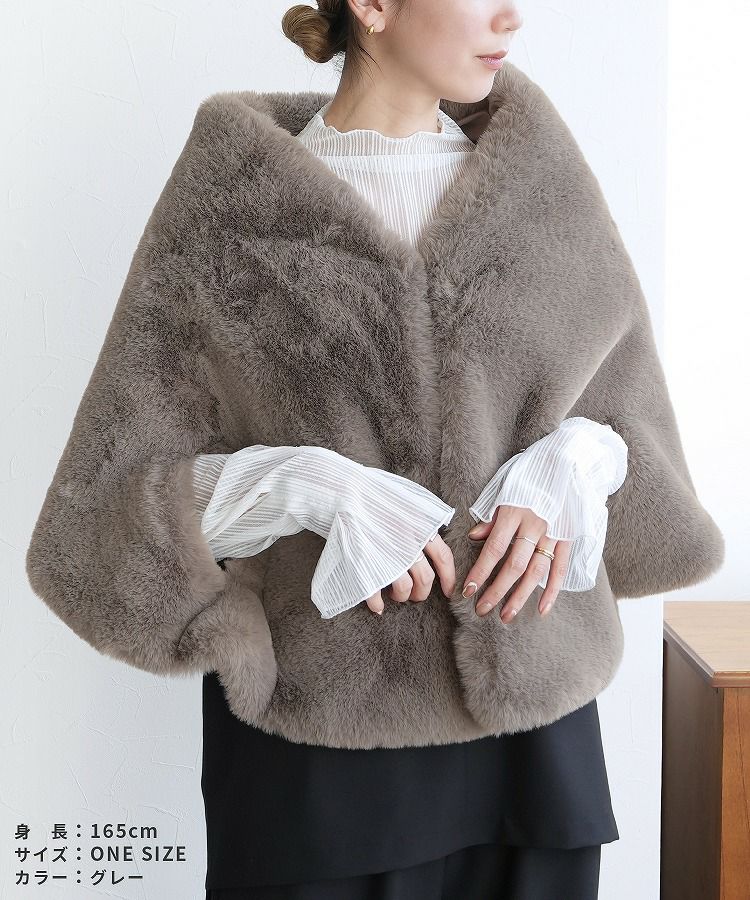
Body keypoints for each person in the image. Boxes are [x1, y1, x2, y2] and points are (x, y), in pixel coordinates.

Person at [25, 0, 726, 898]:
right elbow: (101, 513)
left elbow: (639, 436)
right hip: (317, 763)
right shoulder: (229, 206)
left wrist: (579, 460)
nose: (512, 16)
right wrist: (302, 484)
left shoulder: (543, 186)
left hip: (535, 743)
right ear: (373, 5)